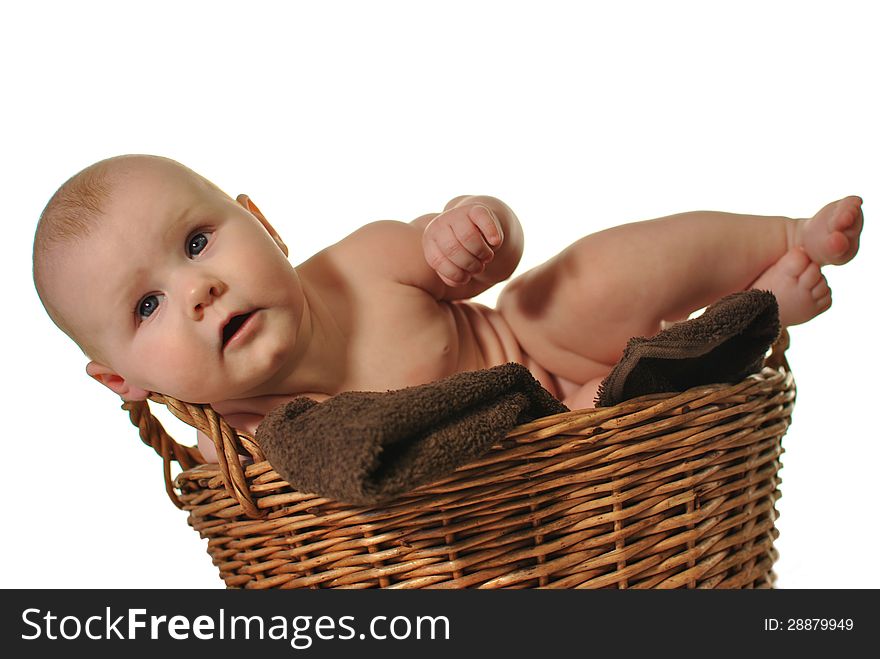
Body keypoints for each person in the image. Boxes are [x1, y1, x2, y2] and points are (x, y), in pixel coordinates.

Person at [33, 155, 863, 461]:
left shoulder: (357, 267)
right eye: (147, 305)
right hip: (559, 447)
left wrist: (476, 230)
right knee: (648, 382)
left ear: (264, 224)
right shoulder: (251, 439)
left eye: (199, 243)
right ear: (122, 380)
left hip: (548, 352)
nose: (197, 290)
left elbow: (478, 260)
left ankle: (781, 238)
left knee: (569, 286)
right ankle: (752, 318)